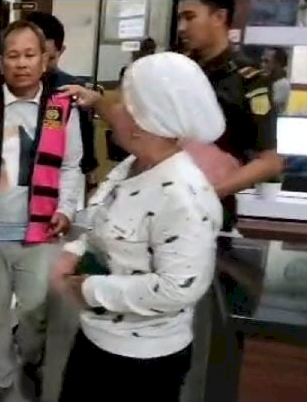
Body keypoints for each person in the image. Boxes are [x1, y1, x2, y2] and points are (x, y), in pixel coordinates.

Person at [54, 52, 225, 402]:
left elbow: (178, 288)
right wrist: (74, 252)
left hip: (143, 362)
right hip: (96, 339)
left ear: (141, 121)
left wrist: (89, 290)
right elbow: (101, 218)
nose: (110, 108)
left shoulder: (183, 196)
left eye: (121, 101)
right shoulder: (132, 166)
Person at [0, 20, 83, 401]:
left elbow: (71, 166)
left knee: (35, 313)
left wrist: (67, 208)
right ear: (0, 62)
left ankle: (30, 362)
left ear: (45, 59)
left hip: (41, 232)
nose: (22, 63)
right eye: (13, 55)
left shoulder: (62, 108)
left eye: (30, 55)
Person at [177, 0, 284, 230]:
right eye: (180, 19)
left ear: (219, 17)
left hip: (207, 212)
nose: (182, 28)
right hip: (160, 199)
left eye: (190, 17)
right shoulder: (176, 70)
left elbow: (269, 162)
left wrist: (209, 193)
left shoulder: (248, 81)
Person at [25, 11, 99, 185]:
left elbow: (86, 146)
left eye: (49, 58)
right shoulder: (0, 93)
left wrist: (90, 177)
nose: (40, 67)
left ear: (61, 51)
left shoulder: (73, 91)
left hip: (57, 184)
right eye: (32, 57)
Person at [261, 47, 291, 114]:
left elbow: (269, 108)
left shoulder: (282, 84)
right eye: (262, 61)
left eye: (266, 62)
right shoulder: (266, 81)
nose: (262, 65)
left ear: (278, 64)